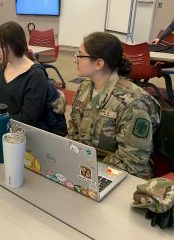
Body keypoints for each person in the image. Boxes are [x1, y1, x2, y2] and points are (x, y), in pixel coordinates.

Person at [68, 32, 161, 179]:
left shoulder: (134, 102)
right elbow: (73, 130)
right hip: (88, 165)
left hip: (123, 173)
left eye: (80, 55)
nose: (75, 60)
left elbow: (133, 160)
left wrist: (90, 169)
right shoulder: (85, 88)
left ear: (98, 63)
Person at [0, 21, 67, 136]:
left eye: (1, 46)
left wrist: (0, 123)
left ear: (15, 44)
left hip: (22, 139)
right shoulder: (0, 70)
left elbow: (27, 118)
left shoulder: (35, 75)